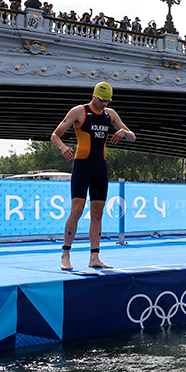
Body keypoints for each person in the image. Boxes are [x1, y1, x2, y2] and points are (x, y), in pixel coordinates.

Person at [51, 82, 135, 270]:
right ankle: (65, 254)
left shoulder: (110, 114)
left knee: (98, 213)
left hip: (100, 167)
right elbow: (55, 135)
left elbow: (133, 137)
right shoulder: (78, 111)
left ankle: (94, 257)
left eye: (107, 101)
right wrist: (63, 147)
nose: (104, 104)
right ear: (94, 95)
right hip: (82, 165)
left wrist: (124, 131)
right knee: (77, 210)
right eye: (101, 100)